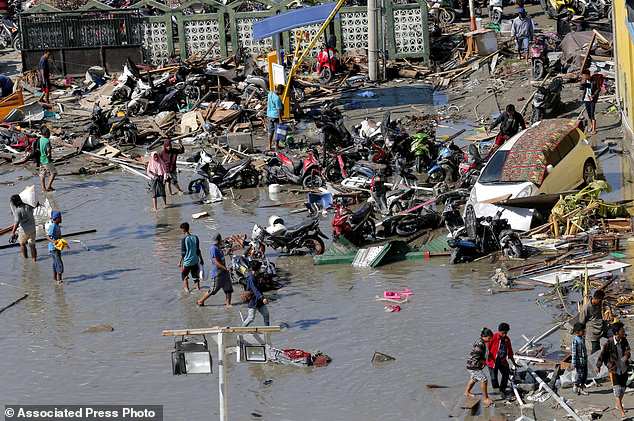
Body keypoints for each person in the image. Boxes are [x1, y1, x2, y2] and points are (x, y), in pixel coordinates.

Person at [597, 322, 630, 418]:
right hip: (614, 370)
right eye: (622, 330)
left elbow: (628, 351)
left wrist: (625, 357)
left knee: (623, 390)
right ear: (616, 332)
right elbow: (602, 355)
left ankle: (617, 405)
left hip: (623, 369)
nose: (623, 332)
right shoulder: (609, 342)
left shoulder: (624, 340)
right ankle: (622, 413)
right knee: (617, 392)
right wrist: (598, 365)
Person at [197, 233, 233, 307]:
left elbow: (221, 257)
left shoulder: (219, 247)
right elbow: (216, 262)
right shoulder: (213, 248)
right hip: (218, 272)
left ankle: (228, 304)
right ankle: (200, 301)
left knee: (228, 288)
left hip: (224, 272)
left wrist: (227, 253)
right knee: (213, 290)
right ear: (219, 240)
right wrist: (225, 268)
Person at [465, 327, 494, 407]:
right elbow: (476, 357)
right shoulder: (480, 343)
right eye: (489, 338)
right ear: (485, 336)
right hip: (473, 366)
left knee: (474, 378)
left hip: (472, 365)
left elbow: (480, 355)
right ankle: (485, 399)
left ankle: (467, 392)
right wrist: (485, 362)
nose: (490, 339)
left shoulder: (480, 341)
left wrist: (484, 361)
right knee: (484, 379)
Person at [486, 322, 517, 398]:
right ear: (499, 331)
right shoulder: (493, 337)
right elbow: (486, 349)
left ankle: (502, 390)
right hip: (492, 361)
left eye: (506, 333)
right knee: (494, 378)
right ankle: (497, 393)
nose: (505, 335)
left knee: (506, 374)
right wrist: (484, 360)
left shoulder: (507, 339)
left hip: (502, 361)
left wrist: (514, 363)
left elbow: (510, 352)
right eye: (503, 333)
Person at [241, 261, 270, 327]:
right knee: (251, 318)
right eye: (260, 268)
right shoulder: (251, 278)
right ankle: (242, 328)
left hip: (259, 300)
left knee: (266, 314)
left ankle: (267, 329)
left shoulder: (256, 276)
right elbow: (255, 290)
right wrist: (263, 298)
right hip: (253, 301)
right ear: (258, 269)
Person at [9, 194, 37, 261]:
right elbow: (35, 206)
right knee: (32, 245)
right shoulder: (28, 206)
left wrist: (12, 232)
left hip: (24, 230)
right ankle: (34, 259)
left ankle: (26, 260)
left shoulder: (18, 210)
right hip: (33, 228)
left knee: (22, 244)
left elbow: (17, 222)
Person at [580, 290, 607, 354]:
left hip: (600, 326)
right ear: (596, 299)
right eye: (600, 300)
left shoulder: (599, 303)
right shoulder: (586, 308)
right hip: (592, 331)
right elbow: (581, 321)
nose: (601, 302)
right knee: (595, 348)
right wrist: (582, 333)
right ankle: (593, 362)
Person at [179, 222, 201, 293]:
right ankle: (198, 289)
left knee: (184, 276)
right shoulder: (196, 237)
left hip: (187, 262)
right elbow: (198, 250)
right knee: (196, 277)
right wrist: (201, 259)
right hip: (195, 260)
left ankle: (187, 290)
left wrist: (180, 263)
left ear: (183, 229)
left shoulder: (184, 239)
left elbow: (183, 253)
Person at [580, 69, 600, 134]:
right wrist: (583, 82)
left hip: (592, 100)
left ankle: (594, 129)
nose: (584, 77)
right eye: (583, 76)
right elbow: (581, 88)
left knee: (592, 114)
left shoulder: (594, 81)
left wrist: (593, 96)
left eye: (585, 76)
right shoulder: (585, 81)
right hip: (586, 99)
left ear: (588, 75)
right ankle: (591, 125)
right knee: (589, 115)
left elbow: (598, 89)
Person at [47, 210, 64, 285]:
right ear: (56, 218)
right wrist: (54, 242)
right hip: (54, 248)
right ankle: (59, 280)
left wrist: (64, 244)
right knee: (59, 263)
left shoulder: (57, 226)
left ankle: (55, 278)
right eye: (60, 217)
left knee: (55, 263)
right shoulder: (53, 226)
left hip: (57, 247)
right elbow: (47, 236)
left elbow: (59, 237)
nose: (61, 219)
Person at [572, 322, 589, 396]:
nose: (584, 332)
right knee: (580, 375)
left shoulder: (582, 338)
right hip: (579, 362)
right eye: (582, 330)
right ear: (577, 332)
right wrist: (574, 363)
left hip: (584, 360)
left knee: (584, 375)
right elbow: (574, 352)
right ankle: (577, 386)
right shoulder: (575, 340)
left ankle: (581, 388)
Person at [38, 126, 57, 192]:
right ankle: (48, 186)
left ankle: (43, 188)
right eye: (49, 133)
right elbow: (48, 151)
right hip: (46, 160)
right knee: (53, 173)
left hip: (41, 159)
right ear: (46, 133)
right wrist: (50, 158)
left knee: (42, 174)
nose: (49, 134)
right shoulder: (47, 141)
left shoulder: (41, 139)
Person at [266, 84, 284, 150]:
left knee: (270, 131)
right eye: (282, 91)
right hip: (275, 116)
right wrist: (280, 119)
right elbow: (278, 109)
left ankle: (269, 146)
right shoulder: (277, 98)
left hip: (269, 115)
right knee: (278, 131)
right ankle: (276, 146)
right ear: (280, 90)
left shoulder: (270, 94)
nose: (282, 93)